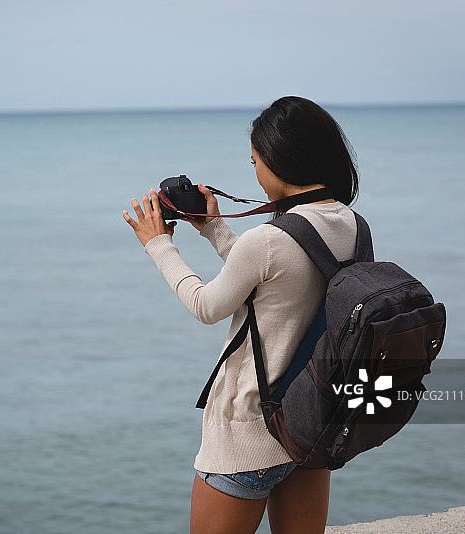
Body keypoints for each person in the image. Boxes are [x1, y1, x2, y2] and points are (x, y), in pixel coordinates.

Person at [122, 96, 360, 534]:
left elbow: (207, 306)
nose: (255, 171)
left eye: (254, 161)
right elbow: (281, 283)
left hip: (251, 429)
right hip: (310, 424)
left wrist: (158, 243)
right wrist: (214, 229)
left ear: (277, 159)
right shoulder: (351, 224)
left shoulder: (267, 239)